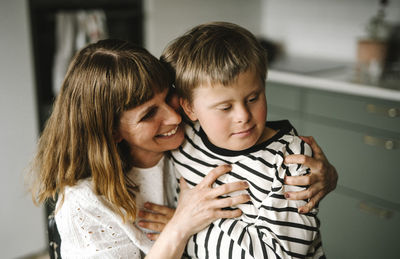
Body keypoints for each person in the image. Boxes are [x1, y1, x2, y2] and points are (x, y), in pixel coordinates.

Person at [28, 39, 251, 259]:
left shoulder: (192, 137)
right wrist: (180, 226)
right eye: (149, 114)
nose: (174, 117)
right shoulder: (84, 203)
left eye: (167, 96)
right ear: (113, 131)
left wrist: (285, 163)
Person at [161, 22, 325, 258]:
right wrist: (182, 225)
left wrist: (183, 228)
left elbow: (283, 255)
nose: (243, 116)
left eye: (253, 98)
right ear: (189, 108)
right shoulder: (184, 138)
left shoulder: (290, 159)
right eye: (225, 107)